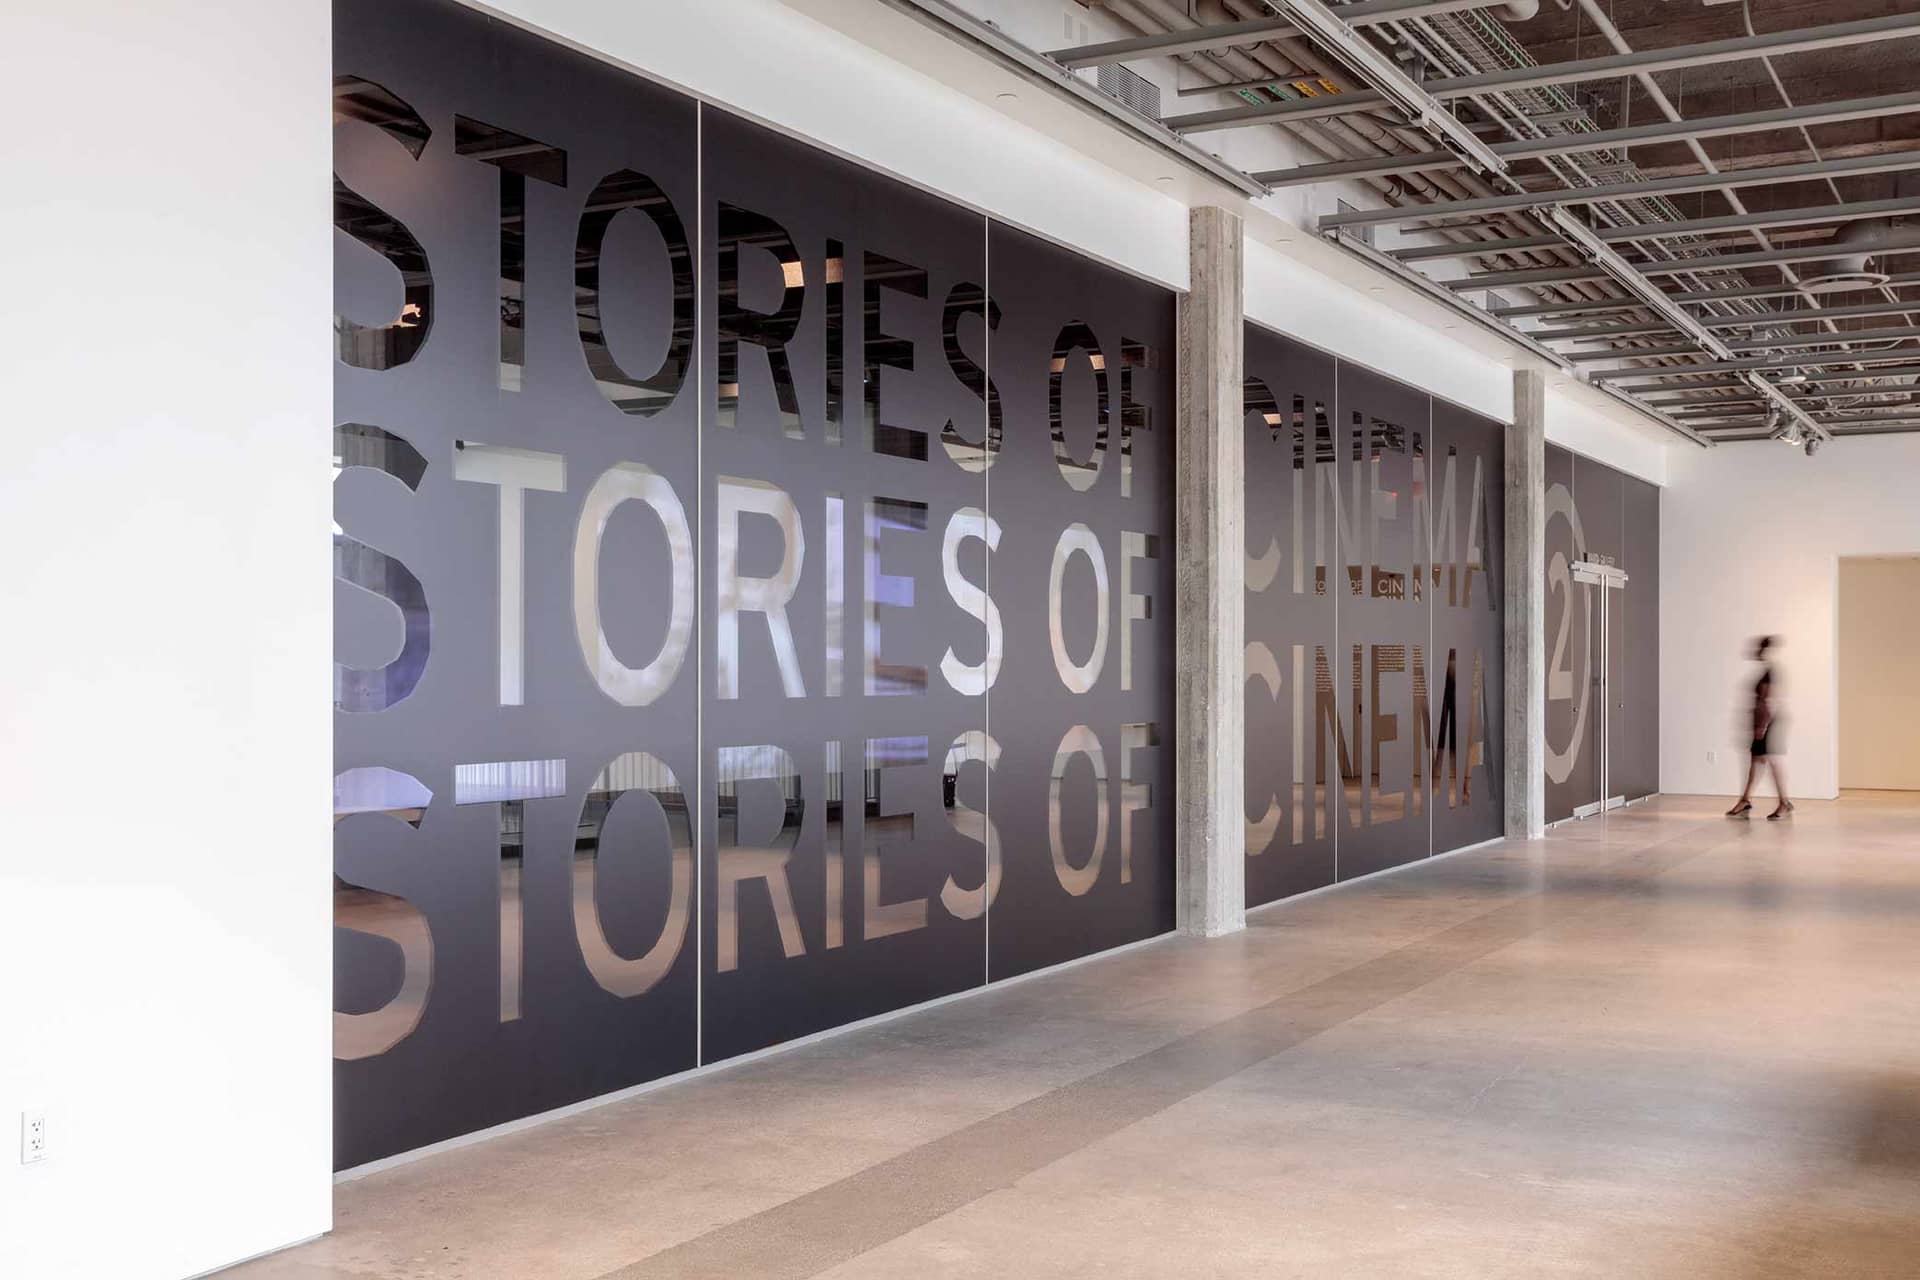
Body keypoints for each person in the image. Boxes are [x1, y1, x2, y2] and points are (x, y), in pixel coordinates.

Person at [1727, 636, 1793, 820]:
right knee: (1756, 761)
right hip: (1764, 722)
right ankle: (1745, 800)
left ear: (1762, 650)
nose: (1753, 652)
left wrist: (1762, 726)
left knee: (1770, 761)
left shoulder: (1769, 672)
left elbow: (1768, 700)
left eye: (1756, 648)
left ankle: (1783, 803)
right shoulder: (1766, 671)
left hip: (1768, 722)